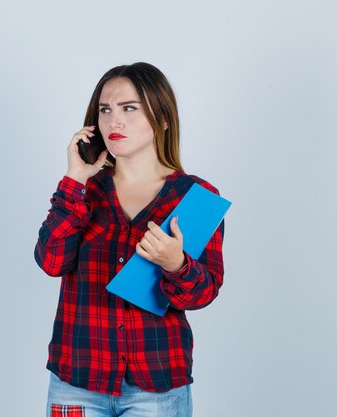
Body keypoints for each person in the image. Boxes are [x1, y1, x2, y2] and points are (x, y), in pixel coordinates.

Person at [33, 62, 225, 417]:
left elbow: (204, 293)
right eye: (105, 110)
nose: (113, 122)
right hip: (77, 383)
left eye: (129, 108)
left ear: (163, 118)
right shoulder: (83, 191)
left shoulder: (196, 198)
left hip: (156, 387)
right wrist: (74, 178)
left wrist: (176, 265)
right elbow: (51, 262)